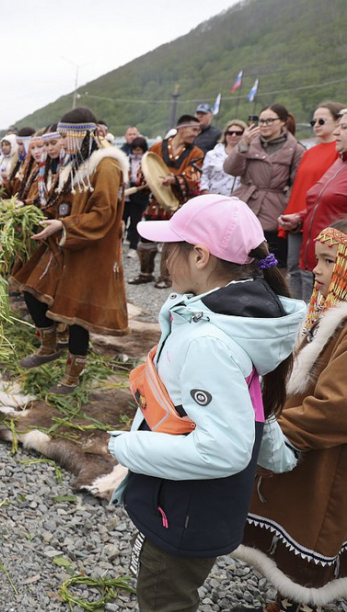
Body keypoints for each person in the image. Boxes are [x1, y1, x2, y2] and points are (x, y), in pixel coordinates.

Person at [109, 195, 305, 612]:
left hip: (184, 510)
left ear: (200, 256)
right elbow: (252, 405)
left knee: (165, 597)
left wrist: (126, 448)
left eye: (170, 246)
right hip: (194, 504)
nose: (163, 256)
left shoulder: (208, 341)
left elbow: (224, 449)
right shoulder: (233, 316)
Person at [236, 218, 347, 612]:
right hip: (304, 443)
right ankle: (285, 600)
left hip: (325, 454)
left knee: (315, 531)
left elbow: (338, 407)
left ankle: (300, 603)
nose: (315, 270)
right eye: (317, 260)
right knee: (294, 524)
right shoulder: (328, 312)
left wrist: (276, 431)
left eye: (329, 261)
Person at [11, 107, 130, 393]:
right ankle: (49, 347)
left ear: (80, 135)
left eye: (65, 137)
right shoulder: (75, 163)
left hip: (90, 249)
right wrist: (30, 212)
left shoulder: (106, 165)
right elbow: (58, 201)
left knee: (77, 314)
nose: (61, 143)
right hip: (65, 243)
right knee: (31, 287)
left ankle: (73, 376)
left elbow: (103, 215)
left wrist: (63, 225)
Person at [279, 108, 347, 312]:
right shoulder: (339, 161)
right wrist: (300, 218)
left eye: (343, 127)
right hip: (313, 257)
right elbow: (323, 202)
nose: (336, 132)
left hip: (335, 267)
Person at [225, 103, 305, 268]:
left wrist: (288, 209)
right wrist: (242, 145)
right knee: (239, 257)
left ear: (283, 121)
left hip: (274, 207)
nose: (264, 125)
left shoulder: (295, 149)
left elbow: (297, 184)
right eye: (261, 121)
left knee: (269, 261)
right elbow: (230, 169)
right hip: (245, 201)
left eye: (269, 121)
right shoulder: (249, 143)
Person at [130, 115, 204, 288]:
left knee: (171, 243)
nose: (196, 134)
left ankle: (167, 276)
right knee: (147, 238)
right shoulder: (156, 147)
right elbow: (145, 168)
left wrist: (175, 179)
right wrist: (148, 180)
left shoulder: (196, 153)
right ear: (182, 128)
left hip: (177, 203)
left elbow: (193, 176)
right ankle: (145, 273)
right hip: (156, 202)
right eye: (194, 129)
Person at [201, 119, 247, 197]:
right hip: (213, 198)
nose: (233, 135)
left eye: (238, 133)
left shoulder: (249, 155)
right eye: (230, 133)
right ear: (225, 135)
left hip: (238, 199)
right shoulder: (211, 154)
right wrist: (205, 191)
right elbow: (204, 175)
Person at [124, 137, 150, 252]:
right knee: (122, 221)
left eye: (139, 150)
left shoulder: (147, 161)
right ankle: (118, 244)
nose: (136, 152)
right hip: (126, 194)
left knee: (135, 222)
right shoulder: (126, 159)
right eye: (135, 149)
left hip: (140, 194)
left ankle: (133, 247)